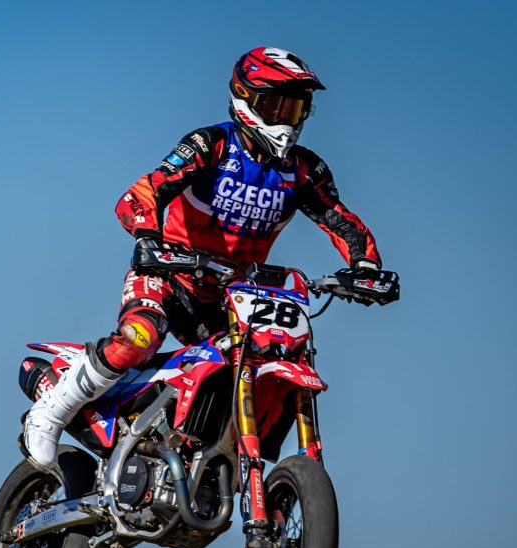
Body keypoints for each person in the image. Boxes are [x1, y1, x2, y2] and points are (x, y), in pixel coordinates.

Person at [22, 46, 382, 469]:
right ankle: (50, 412)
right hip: (170, 273)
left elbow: (341, 221)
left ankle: (199, 457)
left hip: (233, 295)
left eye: (295, 107)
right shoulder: (211, 144)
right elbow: (143, 192)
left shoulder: (304, 170)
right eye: (274, 104)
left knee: (266, 357)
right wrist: (148, 238)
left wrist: (367, 268)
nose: (284, 118)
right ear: (244, 99)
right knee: (139, 336)